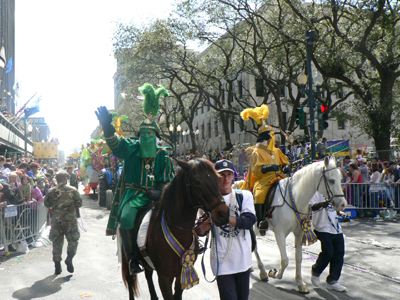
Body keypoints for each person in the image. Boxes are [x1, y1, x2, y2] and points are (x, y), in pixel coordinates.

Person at [95, 83, 174, 275]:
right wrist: (107, 127)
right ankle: (132, 258)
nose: (147, 136)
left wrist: (159, 191)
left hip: (156, 195)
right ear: (139, 136)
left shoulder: (163, 155)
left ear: (156, 137)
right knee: (127, 218)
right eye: (143, 133)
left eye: (151, 134)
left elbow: (167, 180)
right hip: (133, 194)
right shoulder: (130, 148)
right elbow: (116, 144)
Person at [197, 159, 256, 300]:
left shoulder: (244, 196)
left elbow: (249, 221)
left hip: (243, 262)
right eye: (221, 175)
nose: (226, 179)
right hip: (222, 264)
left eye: (229, 174)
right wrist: (202, 228)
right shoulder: (206, 202)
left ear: (233, 176)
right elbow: (200, 231)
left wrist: (225, 218)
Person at [239, 105, 290, 233]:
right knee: (260, 194)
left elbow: (284, 161)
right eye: (270, 136)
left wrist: (286, 166)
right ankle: (261, 221)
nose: (272, 139)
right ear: (264, 138)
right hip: (263, 181)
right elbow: (257, 170)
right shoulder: (257, 152)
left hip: (279, 177)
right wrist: (269, 167)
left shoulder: (277, 151)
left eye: (272, 136)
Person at [44, 170, 82, 275]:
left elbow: (47, 204)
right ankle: (69, 257)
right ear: (66, 179)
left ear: (56, 179)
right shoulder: (73, 190)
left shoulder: (51, 191)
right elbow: (79, 203)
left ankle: (57, 265)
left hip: (56, 221)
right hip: (70, 220)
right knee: (73, 240)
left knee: (57, 242)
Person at [310, 191, 347, 292]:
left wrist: (340, 213)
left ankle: (332, 281)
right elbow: (312, 207)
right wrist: (323, 204)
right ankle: (316, 271)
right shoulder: (316, 192)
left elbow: (335, 208)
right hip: (321, 227)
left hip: (336, 228)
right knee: (328, 252)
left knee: (339, 253)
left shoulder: (333, 191)